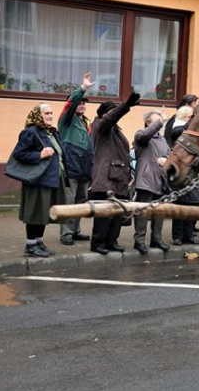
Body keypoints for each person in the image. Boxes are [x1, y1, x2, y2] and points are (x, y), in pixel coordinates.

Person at [89, 93, 142, 255]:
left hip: (118, 176)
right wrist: (125, 106)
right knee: (105, 213)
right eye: (114, 111)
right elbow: (110, 118)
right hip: (106, 177)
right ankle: (98, 243)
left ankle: (112, 241)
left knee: (117, 213)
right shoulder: (101, 125)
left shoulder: (115, 130)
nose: (116, 114)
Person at [13, 104, 66, 257]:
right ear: (38, 115)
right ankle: (30, 245)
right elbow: (19, 154)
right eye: (46, 113)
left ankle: (39, 242)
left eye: (51, 113)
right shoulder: (30, 132)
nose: (50, 116)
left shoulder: (52, 133)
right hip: (38, 180)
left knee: (44, 212)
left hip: (52, 178)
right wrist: (39, 155)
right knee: (35, 212)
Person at [57, 73, 95, 245]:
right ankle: (65, 234)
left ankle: (75, 230)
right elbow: (71, 103)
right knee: (69, 201)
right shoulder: (66, 119)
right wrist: (82, 89)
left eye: (83, 103)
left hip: (84, 168)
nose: (81, 105)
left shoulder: (86, 123)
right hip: (70, 167)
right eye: (79, 103)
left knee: (81, 201)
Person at [132, 111, 171, 255]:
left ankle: (156, 239)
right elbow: (143, 137)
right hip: (146, 179)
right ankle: (139, 241)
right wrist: (161, 122)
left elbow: (169, 153)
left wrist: (166, 158)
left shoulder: (162, 139)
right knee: (143, 212)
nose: (159, 124)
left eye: (160, 122)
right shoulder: (141, 134)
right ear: (148, 122)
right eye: (156, 122)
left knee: (159, 211)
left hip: (161, 179)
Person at [169, 106, 199, 245]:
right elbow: (176, 133)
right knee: (179, 209)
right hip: (181, 174)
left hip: (194, 175)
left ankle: (189, 235)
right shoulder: (178, 129)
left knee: (193, 207)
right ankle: (178, 237)